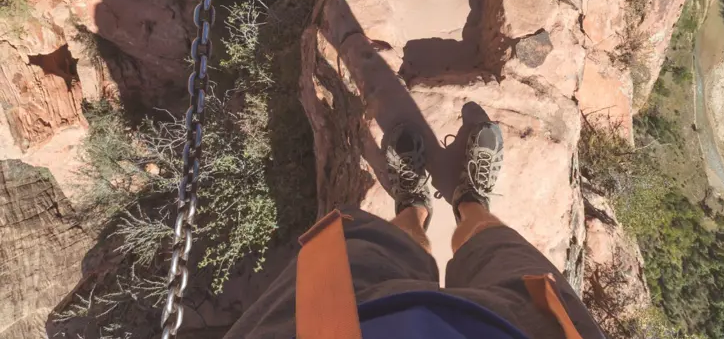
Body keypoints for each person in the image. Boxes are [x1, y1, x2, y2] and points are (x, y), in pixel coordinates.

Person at [223, 121, 606, 339]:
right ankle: (470, 203)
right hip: (529, 330)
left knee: (378, 248)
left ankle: (412, 206)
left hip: (333, 327)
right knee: (500, 251)